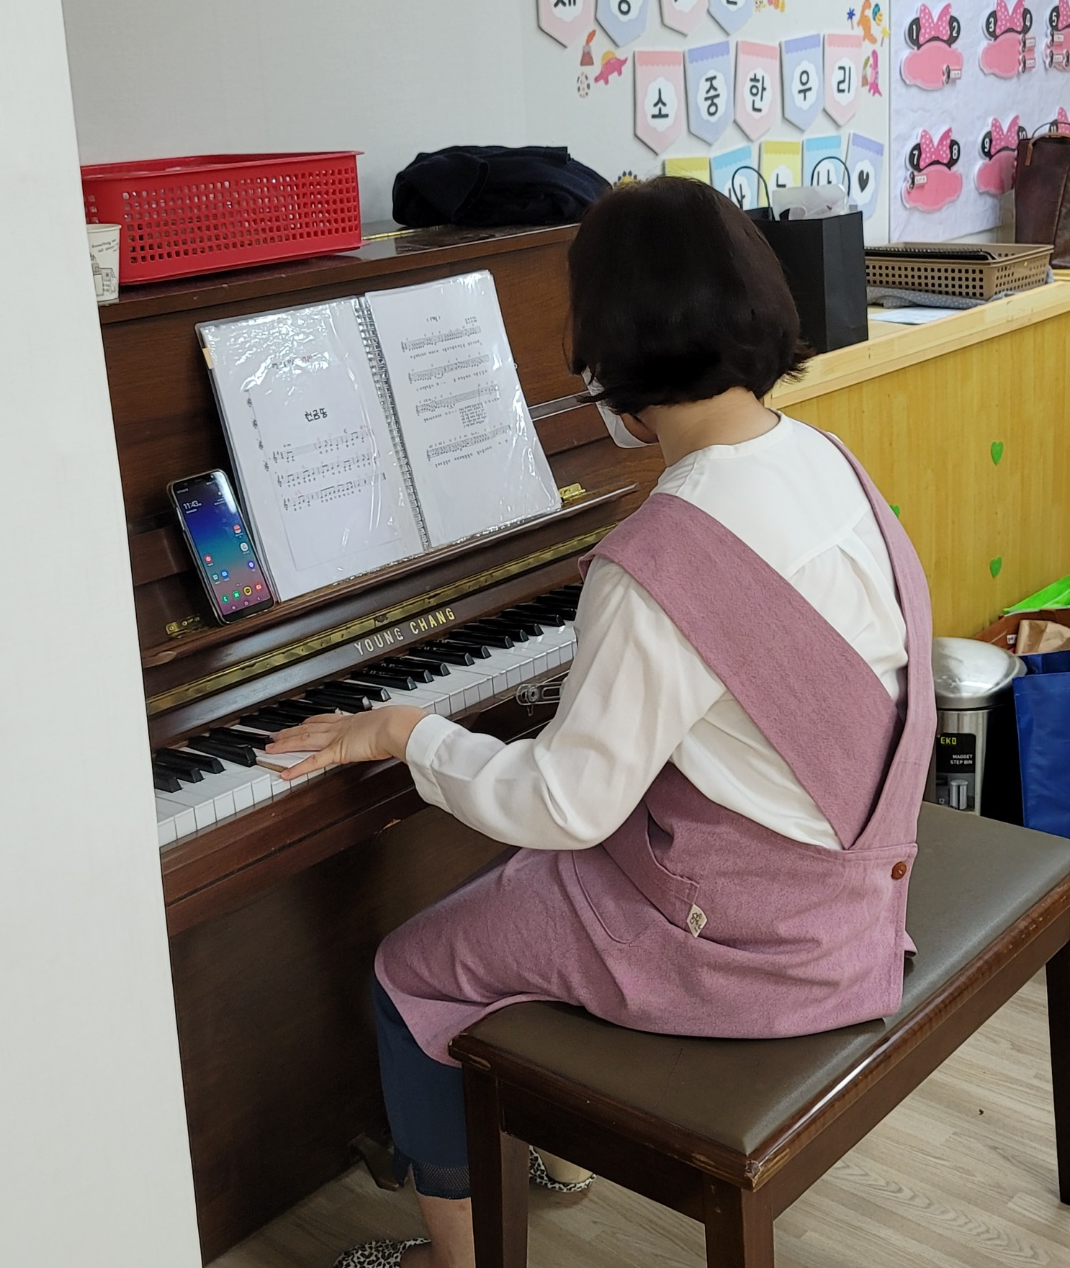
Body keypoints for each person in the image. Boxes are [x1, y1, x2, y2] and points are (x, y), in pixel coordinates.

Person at [266, 177, 936, 1268]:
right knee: (521, 882)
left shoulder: (665, 553)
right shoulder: (821, 458)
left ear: (606, 350)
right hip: (846, 888)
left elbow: (566, 805)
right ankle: (542, 1141)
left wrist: (404, 733)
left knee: (410, 967)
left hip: (756, 946)